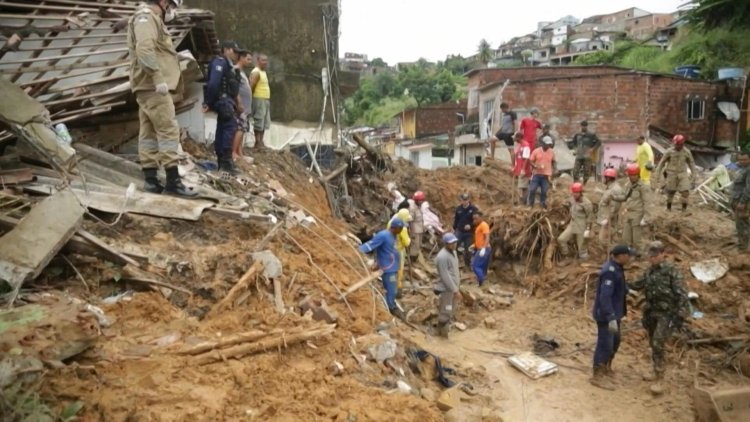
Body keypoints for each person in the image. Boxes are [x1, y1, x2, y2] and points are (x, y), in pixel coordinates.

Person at [127, 0, 196, 198]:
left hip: (147, 87)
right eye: (172, 6)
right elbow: (144, 50)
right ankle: (173, 182)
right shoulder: (146, 17)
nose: (172, 11)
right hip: (153, 87)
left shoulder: (148, 18)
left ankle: (151, 180)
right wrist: (158, 78)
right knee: (168, 131)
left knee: (148, 133)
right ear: (164, 2)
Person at [628, 241, 691, 395]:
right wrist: (620, 281)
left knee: (658, 342)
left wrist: (681, 315)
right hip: (651, 312)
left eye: (655, 255)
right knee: (652, 341)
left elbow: (682, 294)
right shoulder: (649, 271)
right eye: (650, 255)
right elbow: (637, 285)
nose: (652, 258)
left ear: (663, 254)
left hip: (667, 313)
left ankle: (660, 378)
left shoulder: (672, 271)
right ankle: (655, 371)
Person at [590, 244, 633, 390]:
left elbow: (618, 285)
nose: (629, 258)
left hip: (615, 313)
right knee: (605, 345)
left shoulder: (617, 268)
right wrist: (610, 317)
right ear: (620, 256)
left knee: (615, 341)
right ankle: (597, 375)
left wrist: (628, 290)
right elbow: (605, 297)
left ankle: (606, 367)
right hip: (606, 315)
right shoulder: (609, 271)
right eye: (628, 255)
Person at [204, 40, 242, 174]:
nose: (236, 54)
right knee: (229, 127)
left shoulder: (229, 65)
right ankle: (225, 161)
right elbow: (213, 84)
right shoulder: (219, 62)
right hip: (223, 101)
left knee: (223, 127)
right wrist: (208, 102)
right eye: (234, 51)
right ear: (226, 49)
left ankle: (223, 161)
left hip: (226, 101)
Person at [359, 219, 405, 317]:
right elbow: (371, 245)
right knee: (391, 289)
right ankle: (391, 307)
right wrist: (357, 250)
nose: (401, 230)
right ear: (394, 227)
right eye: (400, 228)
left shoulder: (394, 235)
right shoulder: (383, 235)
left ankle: (389, 304)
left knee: (391, 288)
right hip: (388, 268)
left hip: (393, 266)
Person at [614, 163, 652, 255]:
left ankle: (639, 256)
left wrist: (646, 217)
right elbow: (625, 197)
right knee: (625, 238)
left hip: (637, 215)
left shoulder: (642, 187)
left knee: (637, 239)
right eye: (630, 175)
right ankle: (629, 254)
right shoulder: (628, 184)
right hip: (628, 214)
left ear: (638, 175)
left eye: (633, 175)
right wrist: (614, 197)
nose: (631, 177)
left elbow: (647, 202)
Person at [653, 134, 697, 212]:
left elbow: (691, 163)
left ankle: (684, 209)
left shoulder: (687, 152)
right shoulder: (669, 152)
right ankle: (668, 208)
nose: (676, 146)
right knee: (670, 192)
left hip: (682, 174)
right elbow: (661, 163)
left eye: (678, 144)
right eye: (675, 144)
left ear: (682, 144)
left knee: (685, 192)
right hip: (671, 174)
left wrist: (694, 176)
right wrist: (657, 174)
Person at [434, 233, 462, 338]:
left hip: (453, 288)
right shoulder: (442, 257)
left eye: (455, 242)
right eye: (451, 243)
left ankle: (442, 332)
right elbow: (445, 276)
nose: (454, 245)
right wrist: (455, 290)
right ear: (446, 244)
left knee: (451, 309)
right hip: (447, 289)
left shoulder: (453, 252)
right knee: (446, 309)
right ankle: (441, 333)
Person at [557, 182, 594, 260]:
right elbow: (571, 213)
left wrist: (587, 229)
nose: (574, 195)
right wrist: (564, 222)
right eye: (573, 193)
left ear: (581, 193)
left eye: (576, 193)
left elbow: (590, 218)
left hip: (581, 227)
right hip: (572, 225)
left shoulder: (587, 203)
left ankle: (584, 262)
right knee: (561, 239)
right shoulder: (573, 200)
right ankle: (566, 256)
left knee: (582, 249)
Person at [233, 50, 253, 160]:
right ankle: (233, 152)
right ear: (241, 58)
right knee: (239, 128)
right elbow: (235, 89)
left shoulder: (242, 72)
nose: (250, 62)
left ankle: (239, 152)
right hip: (241, 107)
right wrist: (239, 103)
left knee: (243, 129)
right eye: (248, 59)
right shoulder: (236, 70)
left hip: (246, 107)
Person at [250, 54, 271, 150]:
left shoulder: (263, 72)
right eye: (263, 60)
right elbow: (251, 86)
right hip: (258, 99)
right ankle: (257, 142)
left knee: (264, 122)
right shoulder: (256, 72)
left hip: (265, 99)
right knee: (259, 120)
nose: (265, 62)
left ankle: (261, 142)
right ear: (258, 60)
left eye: (266, 60)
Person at [388, 208, 411, 296]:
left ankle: (390, 286)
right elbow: (406, 242)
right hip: (399, 250)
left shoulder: (391, 222)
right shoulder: (403, 228)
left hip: (390, 248)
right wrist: (409, 240)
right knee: (399, 270)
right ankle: (397, 288)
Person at [527, 136, 556, 208]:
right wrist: (535, 166)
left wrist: (555, 169)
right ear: (542, 143)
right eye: (547, 144)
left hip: (546, 175)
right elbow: (530, 161)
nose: (548, 146)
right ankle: (530, 205)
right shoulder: (536, 151)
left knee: (544, 191)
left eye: (549, 144)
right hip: (537, 174)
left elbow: (554, 161)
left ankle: (543, 205)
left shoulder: (551, 152)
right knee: (532, 189)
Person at [598, 168, 623, 246]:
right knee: (610, 240)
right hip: (606, 219)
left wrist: (607, 219)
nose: (603, 179)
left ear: (608, 178)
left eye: (604, 177)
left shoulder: (615, 189)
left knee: (603, 240)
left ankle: (613, 255)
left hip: (609, 221)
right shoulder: (611, 188)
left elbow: (615, 207)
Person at [453, 193, 478, 267]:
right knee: (455, 246)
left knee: (468, 249)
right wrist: (455, 228)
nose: (464, 201)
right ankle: (455, 262)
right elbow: (456, 220)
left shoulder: (473, 209)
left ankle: (468, 264)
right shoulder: (458, 209)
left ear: (469, 200)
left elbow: (476, 220)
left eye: (466, 200)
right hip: (459, 231)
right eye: (463, 200)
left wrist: (470, 225)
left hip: (469, 233)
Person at [732, 150, 750, 252]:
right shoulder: (742, 169)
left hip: (743, 201)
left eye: (744, 159)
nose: (742, 161)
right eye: (740, 159)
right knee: (742, 223)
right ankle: (743, 244)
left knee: (742, 224)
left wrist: (743, 202)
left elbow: (749, 188)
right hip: (737, 199)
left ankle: (743, 248)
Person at [471, 212, 491, 286]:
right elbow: (480, 238)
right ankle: (481, 280)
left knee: (476, 266)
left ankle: (481, 281)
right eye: (474, 219)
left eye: (476, 218)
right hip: (480, 247)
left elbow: (487, 237)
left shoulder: (484, 225)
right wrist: (474, 245)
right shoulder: (479, 226)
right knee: (482, 266)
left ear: (480, 218)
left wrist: (484, 248)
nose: (474, 220)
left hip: (483, 249)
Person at [512, 132, 532, 205]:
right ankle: (522, 203)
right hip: (519, 169)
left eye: (515, 137)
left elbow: (526, 158)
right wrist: (515, 167)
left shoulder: (526, 145)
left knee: (521, 188)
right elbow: (517, 158)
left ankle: (522, 203)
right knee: (522, 187)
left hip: (524, 170)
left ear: (519, 138)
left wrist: (523, 169)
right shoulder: (519, 145)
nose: (514, 139)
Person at [408, 191, 426, 260]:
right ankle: (412, 259)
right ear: (416, 200)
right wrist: (411, 231)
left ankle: (416, 257)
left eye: (422, 200)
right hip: (415, 230)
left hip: (420, 228)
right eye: (420, 201)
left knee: (419, 244)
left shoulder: (419, 206)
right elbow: (410, 220)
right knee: (415, 245)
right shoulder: (412, 208)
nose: (421, 202)